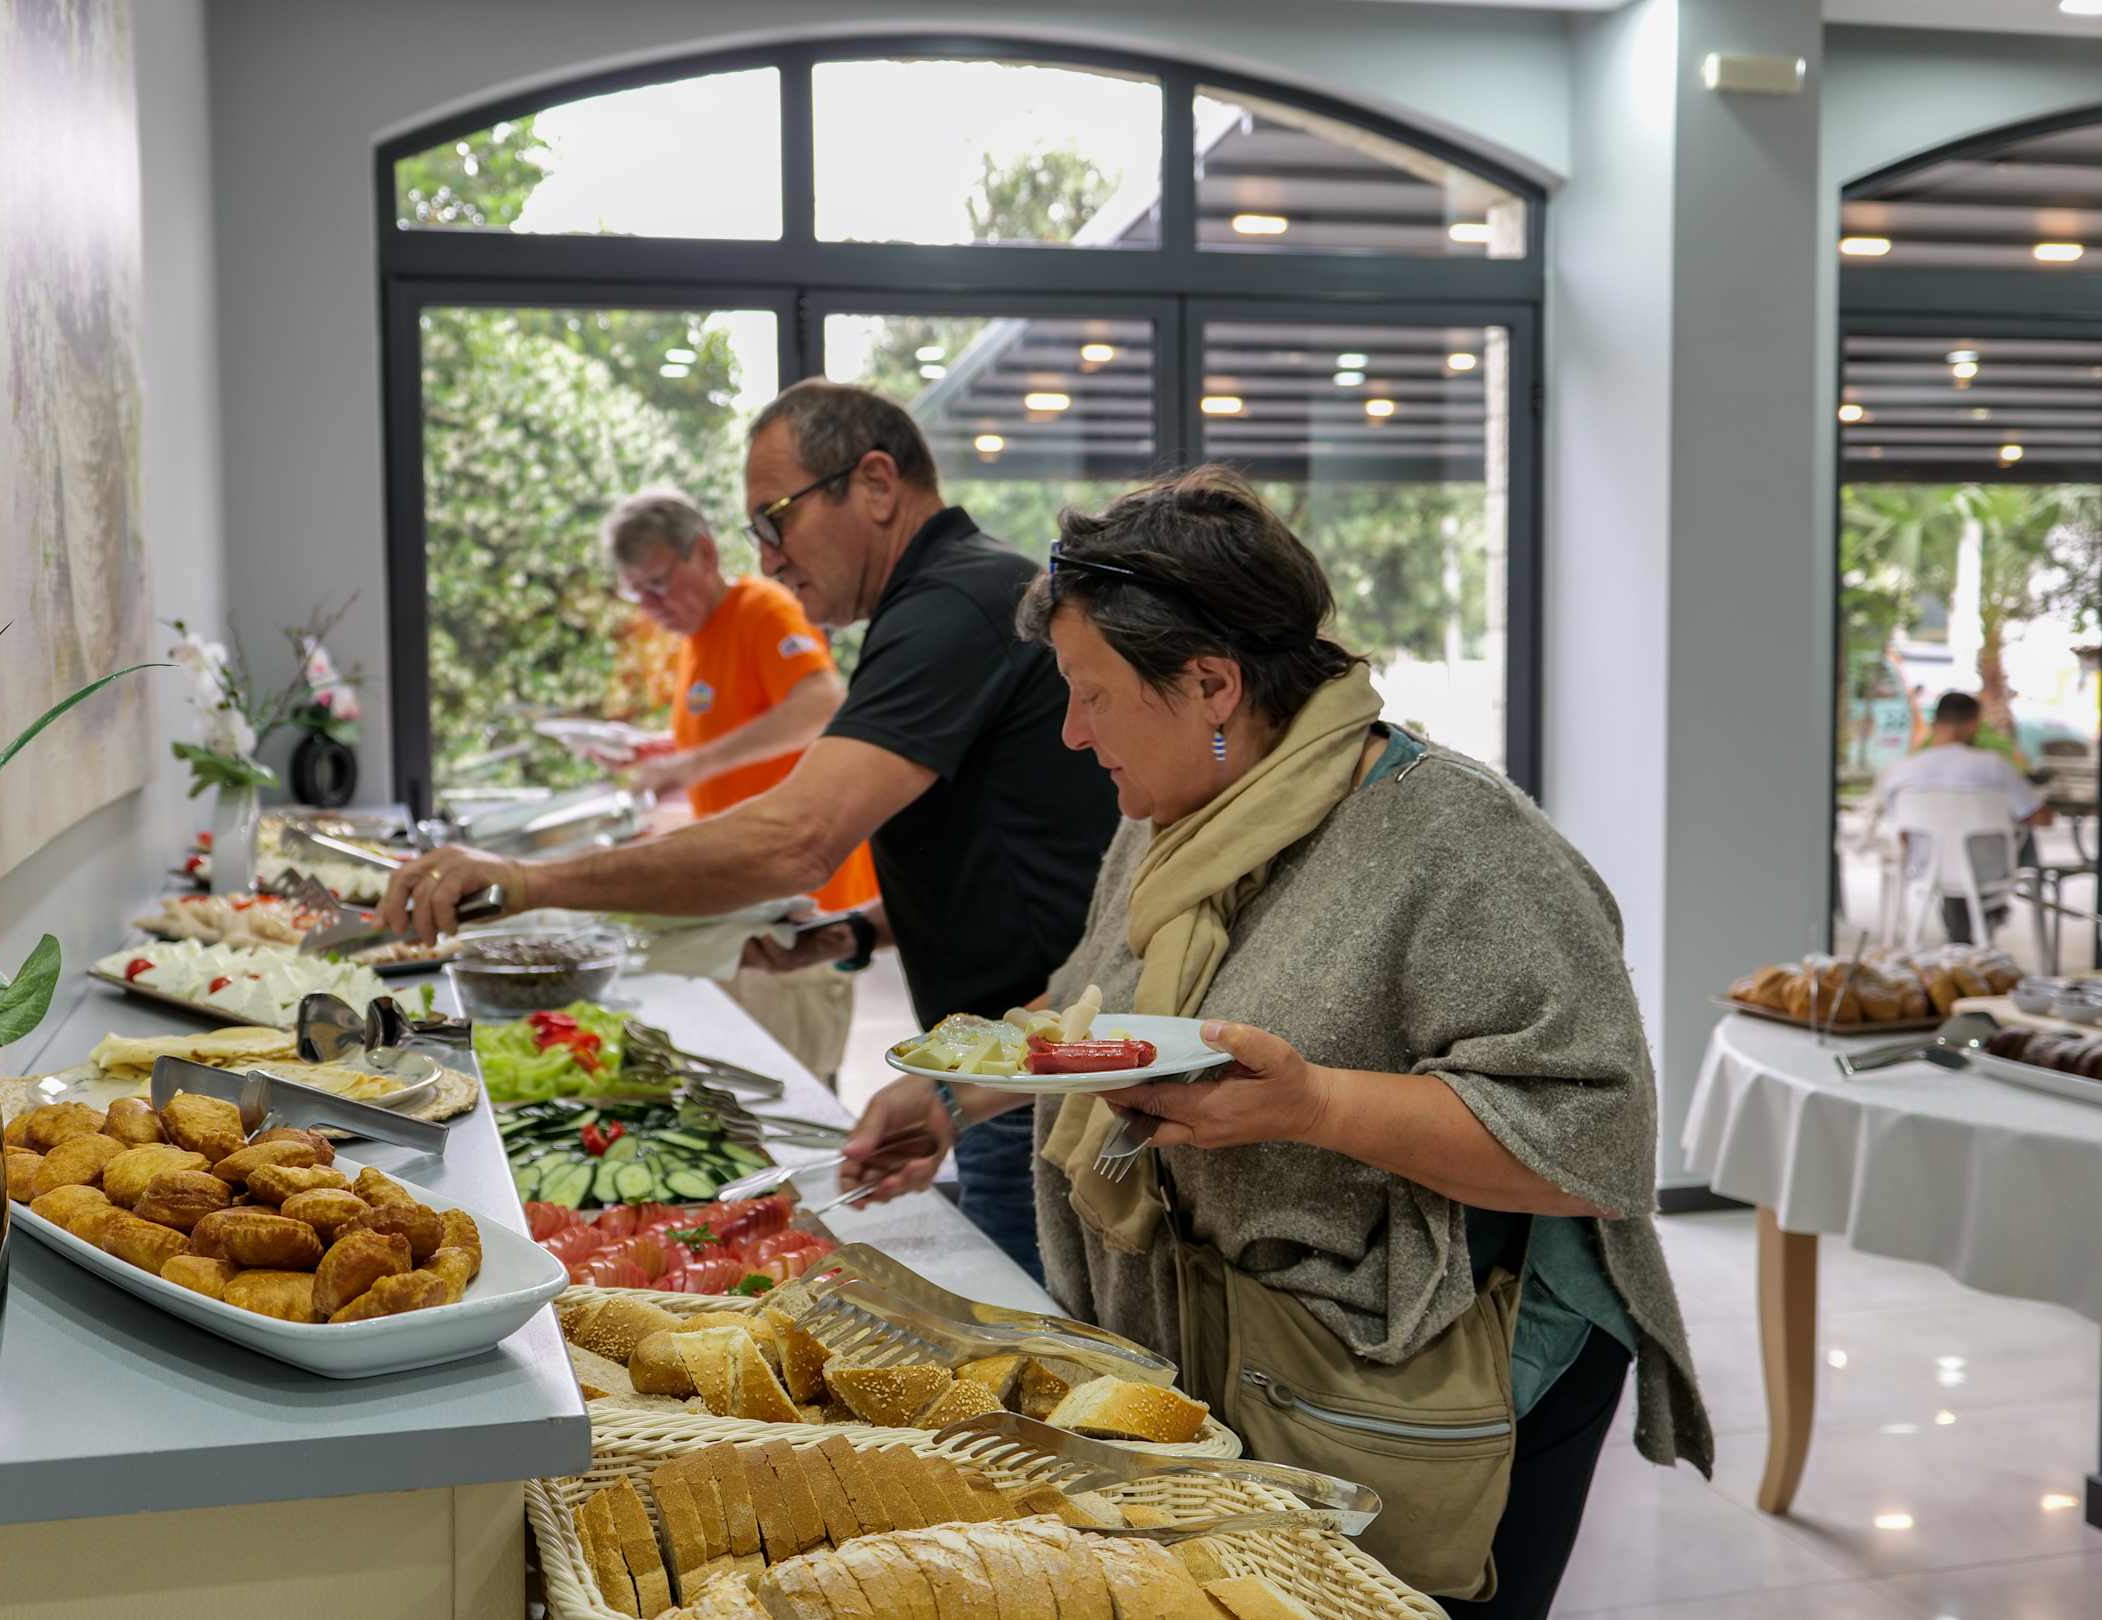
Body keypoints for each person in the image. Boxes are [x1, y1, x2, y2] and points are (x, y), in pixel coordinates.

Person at [832, 467, 1710, 1616]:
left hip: (1421, 1381)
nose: (1072, 732)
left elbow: (1591, 1143)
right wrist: (959, 1096)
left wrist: (1315, 1106)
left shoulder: (1458, 841)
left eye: (1092, 696)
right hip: (1232, 1363)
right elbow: (1096, 1003)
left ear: (1212, 683)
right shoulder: (1175, 813)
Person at [384, 381, 1120, 1282]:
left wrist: (527, 881)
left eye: (776, 520)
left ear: (876, 484)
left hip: (1043, 1069)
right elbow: (1008, 848)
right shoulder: (944, 596)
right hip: (1008, 1063)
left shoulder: (954, 604)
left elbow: (796, 840)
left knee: (1032, 1343)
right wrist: (855, 933)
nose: (768, 561)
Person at [597, 487, 880, 1084]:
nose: (651, 605)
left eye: (658, 583)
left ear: (704, 553)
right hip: (742, 902)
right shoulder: (697, 640)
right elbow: (737, 734)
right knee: (746, 1087)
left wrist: (691, 765)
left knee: (797, 1086)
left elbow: (821, 706)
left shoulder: (762, 609)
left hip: (799, 906)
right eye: (637, 593)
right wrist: (659, 751)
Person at [1871, 690, 2054, 942]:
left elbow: (1899, 832)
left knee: (1950, 852)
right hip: (1989, 869)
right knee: (2019, 833)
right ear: (1973, 723)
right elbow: (2042, 818)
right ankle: (1989, 916)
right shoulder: (1993, 766)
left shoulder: (1901, 771)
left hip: (1926, 868)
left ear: (1935, 723)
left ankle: (1963, 932)